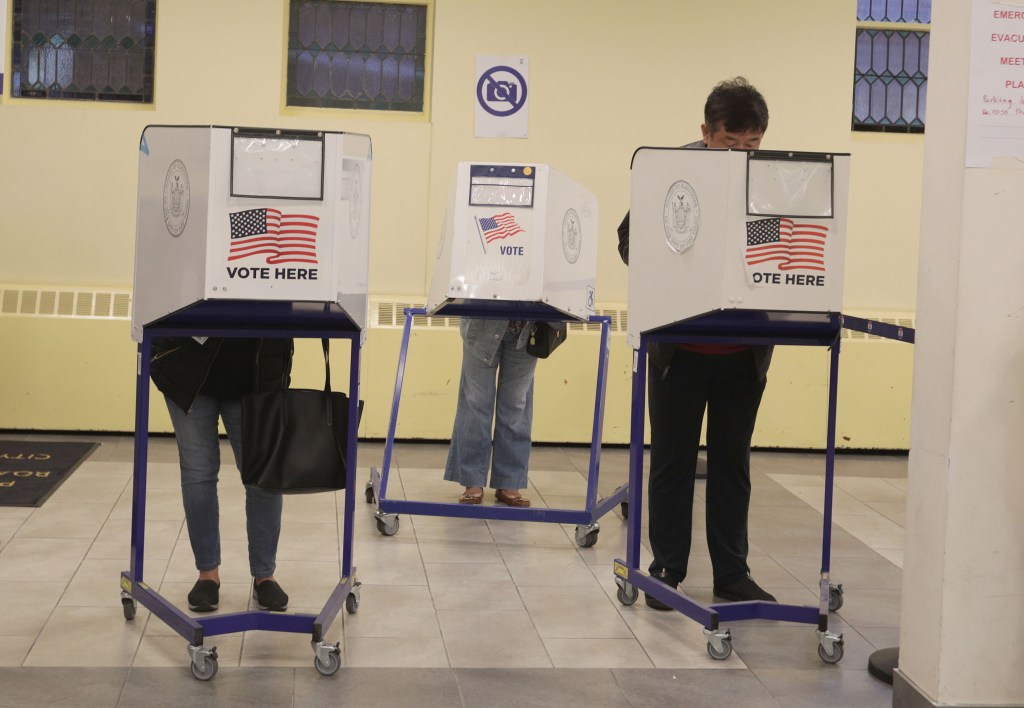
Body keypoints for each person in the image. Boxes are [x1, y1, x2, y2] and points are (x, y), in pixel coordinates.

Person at [617, 77, 777, 608]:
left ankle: (732, 573)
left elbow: (776, 246)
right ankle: (666, 569)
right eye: (731, 144)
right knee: (672, 460)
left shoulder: (770, 181)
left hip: (742, 353)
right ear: (705, 132)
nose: (742, 156)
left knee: (732, 464)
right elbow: (628, 239)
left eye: (752, 146)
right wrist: (672, 271)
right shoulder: (671, 173)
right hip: (678, 350)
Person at [150, 335, 293, 613]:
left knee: (262, 479)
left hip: (254, 376)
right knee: (198, 476)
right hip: (188, 370)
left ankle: (265, 575)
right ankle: (207, 574)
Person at [444, 318, 537, 507]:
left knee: (516, 405)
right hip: (482, 324)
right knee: (475, 402)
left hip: (527, 327)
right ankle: (472, 480)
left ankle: (509, 481)